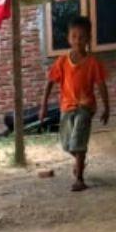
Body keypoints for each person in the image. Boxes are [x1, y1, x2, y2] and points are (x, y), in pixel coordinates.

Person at [40, 15, 110, 192]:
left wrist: (106, 107)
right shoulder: (62, 61)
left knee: (78, 139)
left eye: (82, 37)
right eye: (74, 36)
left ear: (89, 39)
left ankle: (79, 178)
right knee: (67, 143)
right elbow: (49, 82)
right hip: (66, 107)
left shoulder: (93, 62)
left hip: (85, 107)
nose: (78, 40)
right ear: (68, 38)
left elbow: (101, 85)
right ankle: (80, 159)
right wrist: (44, 106)